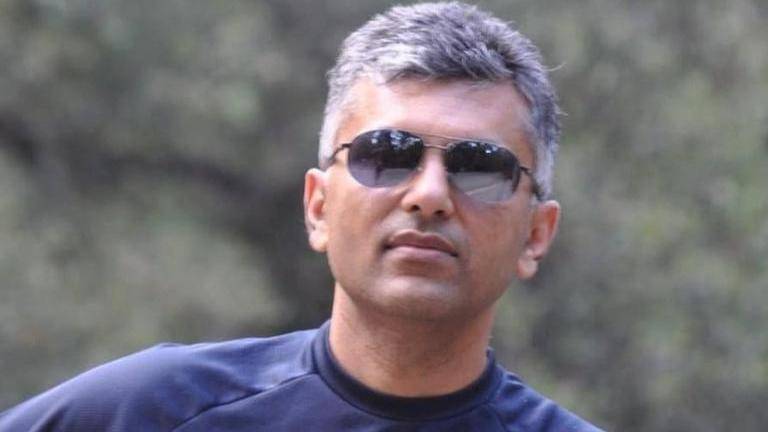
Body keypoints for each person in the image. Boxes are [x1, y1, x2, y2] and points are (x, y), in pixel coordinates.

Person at [0, 2, 604, 431]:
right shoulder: (144, 413)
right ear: (318, 207)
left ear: (536, 234)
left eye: (479, 168)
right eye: (386, 155)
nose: (429, 194)